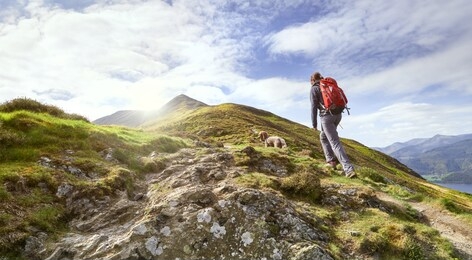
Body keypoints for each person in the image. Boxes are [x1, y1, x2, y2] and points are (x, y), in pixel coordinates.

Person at [310, 72, 356, 178]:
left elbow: (313, 107)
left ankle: (348, 169)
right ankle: (331, 162)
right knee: (323, 136)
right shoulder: (328, 84)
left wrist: (314, 124)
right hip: (338, 115)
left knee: (334, 142)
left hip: (327, 117)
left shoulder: (314, 88)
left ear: (312, 80)